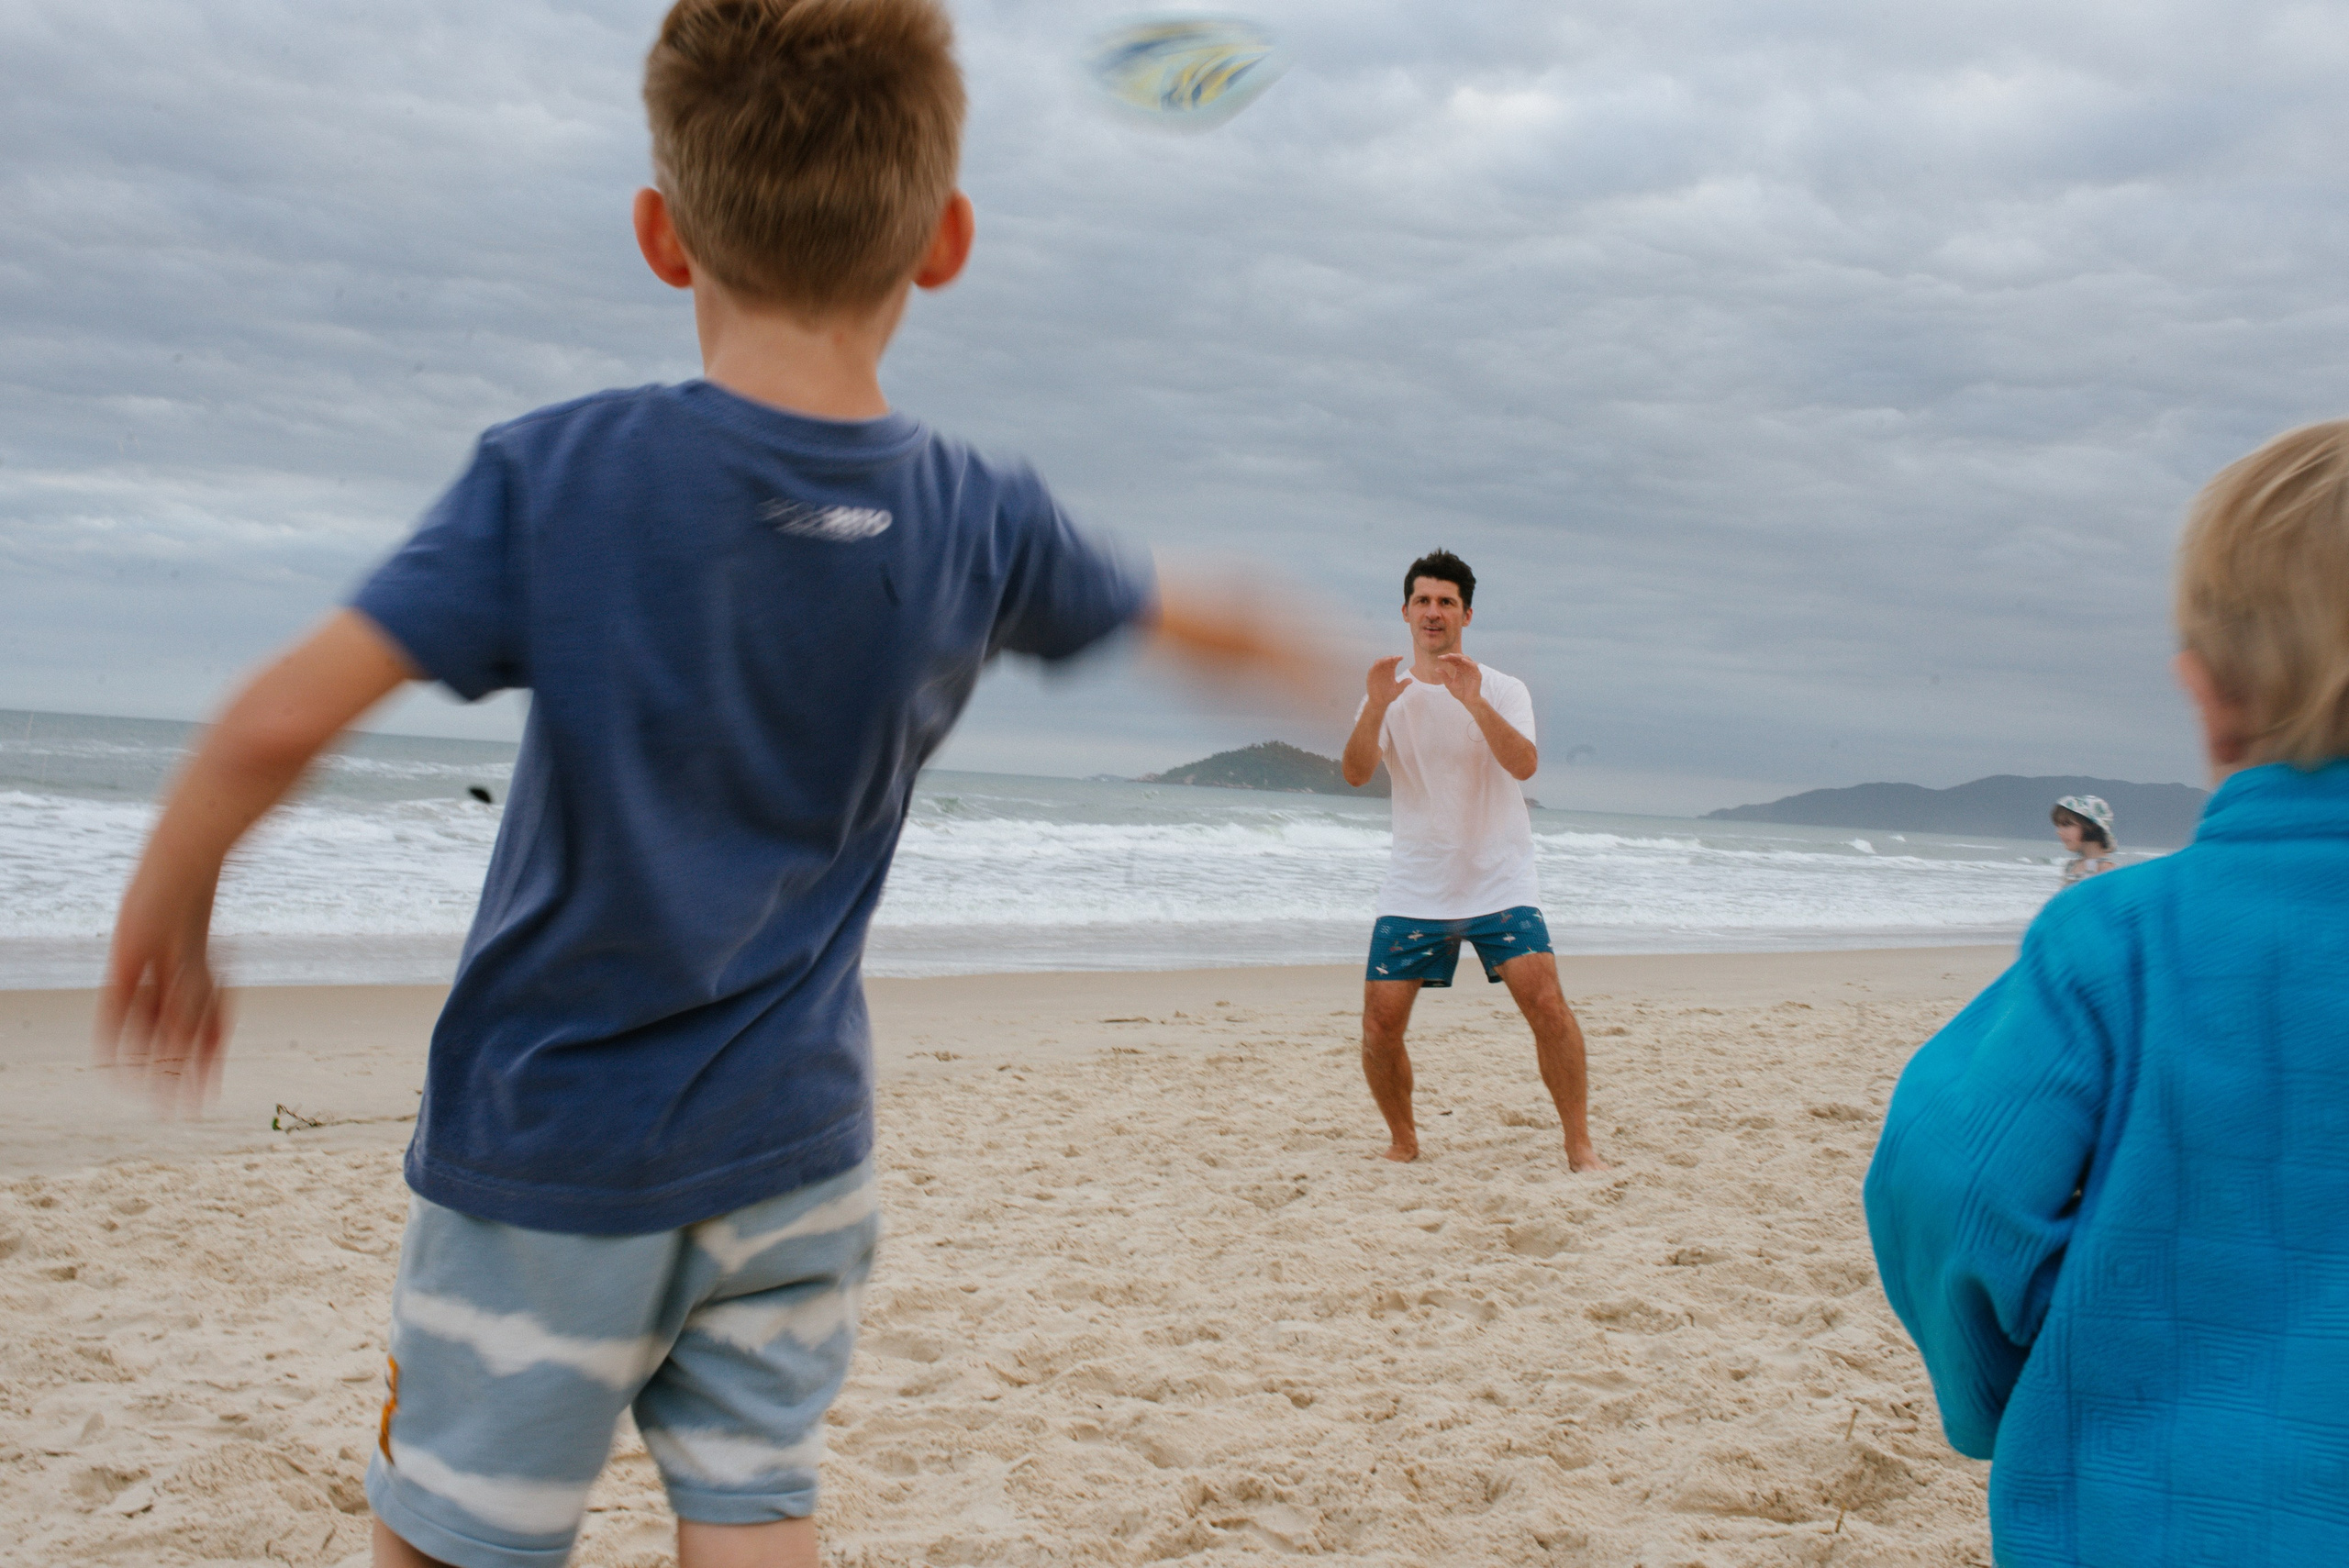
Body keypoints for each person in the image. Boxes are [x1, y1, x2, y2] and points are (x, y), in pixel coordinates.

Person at [95, 4, 1327, 1565]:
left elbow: (275, 722)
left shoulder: (559, 476)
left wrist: (175, 896)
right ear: (942, 241)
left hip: (552, 1152)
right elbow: (1187, 604)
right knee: (754, 1507)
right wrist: (1319, 653)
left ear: (661, 233)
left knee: (450, 1528)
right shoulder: (978, 513)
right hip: (798, 1153)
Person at [1864, 418, 2349, 1565]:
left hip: (2148, 1513)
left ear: (2206, 692)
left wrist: (2007, 1390)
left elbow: (1945, 1183)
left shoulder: (2119, 942)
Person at [1339, 550, 1606, 1172]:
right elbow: (1354, 773)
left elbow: (1523, 765)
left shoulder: (1503, 688)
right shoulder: (1388, 694)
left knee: (1546, 1005)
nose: (1434, 612)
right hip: (1416, 883)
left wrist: (1475, 702)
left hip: (1499, 877)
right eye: (1424, 601)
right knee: (1380, 1025)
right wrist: (1376, 705)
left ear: (1466, 614)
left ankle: (1579, 1144)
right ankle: (1403, 1140)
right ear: (1405, 611)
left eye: (1447, 602)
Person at [2049, 793, 2117, 884]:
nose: (2059, 832)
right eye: (2058, 826)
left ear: (2091, 825)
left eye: (2066, 825)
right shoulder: (2071, 866)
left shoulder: (2104, 868)